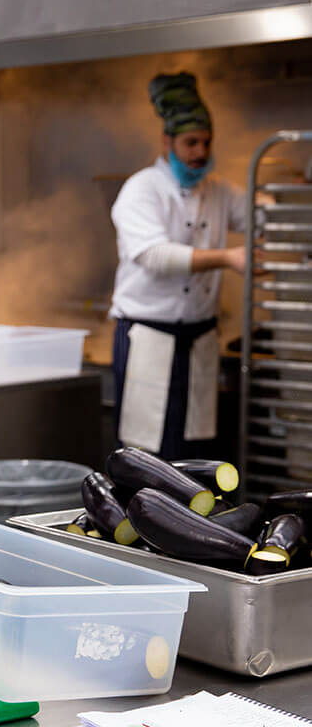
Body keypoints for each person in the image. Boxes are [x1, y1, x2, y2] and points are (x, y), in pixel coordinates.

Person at [109, 71, 247, 460]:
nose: (200, 152)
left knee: (196, 453)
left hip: (201, 339)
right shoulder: (142, 189)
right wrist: (228, 259)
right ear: (166, 141)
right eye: (190, 142)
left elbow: (259, 215)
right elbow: (155, 256)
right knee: (146, 455)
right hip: (149, 338)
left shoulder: (218, 190)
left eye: (206, 142)